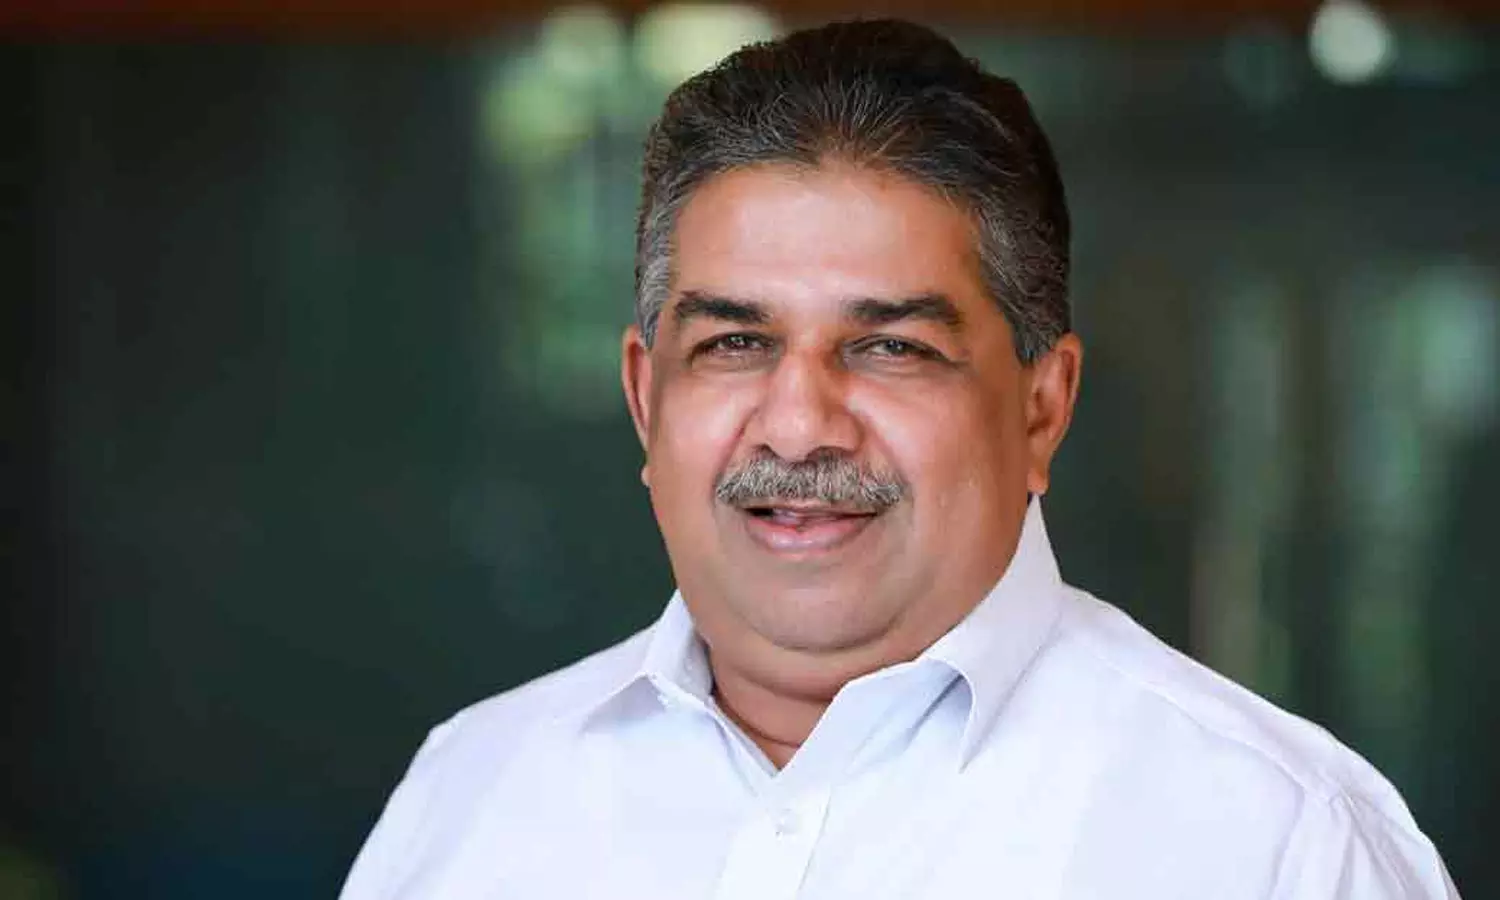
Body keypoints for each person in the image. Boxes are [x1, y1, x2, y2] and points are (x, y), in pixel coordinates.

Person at [339, 19, 1457, 899]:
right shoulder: (472, 797)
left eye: (891, 348)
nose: (798, 426)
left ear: (1042, 408)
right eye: (735, 343)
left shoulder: (1282, 847)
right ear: (645, 399)